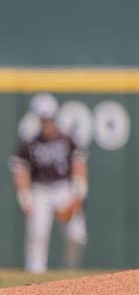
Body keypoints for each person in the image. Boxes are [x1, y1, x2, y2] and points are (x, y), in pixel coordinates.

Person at [10, 93, 89, 275]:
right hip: (40, 190)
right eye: (43, 119)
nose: (46, 123)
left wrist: (77, 195)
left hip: (64, 188)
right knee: (37, 234)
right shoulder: (30, 141)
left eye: (49, 118)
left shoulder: (67, 138)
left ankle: (71, 272)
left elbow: (79, 165)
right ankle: (35, 275)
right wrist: (25, 198)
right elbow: (20, 169)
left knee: (77, 236)